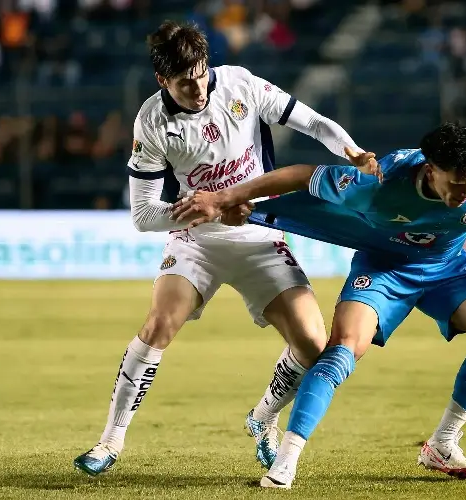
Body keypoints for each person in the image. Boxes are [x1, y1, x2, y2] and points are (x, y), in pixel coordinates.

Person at [73, 20, 377, 476]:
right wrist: (210, 211)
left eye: (199, 75)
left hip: (259, 233)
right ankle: (109, 442)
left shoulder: (240, 84)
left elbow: (310, 121)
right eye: (182, 83)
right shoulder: (151, 123)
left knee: (315, 348)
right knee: (159, 324)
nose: (197, 89)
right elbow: (143, 217)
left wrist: (350, 151)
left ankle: (263, 417)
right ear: (162, 81)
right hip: (197, 239)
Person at [172, 123, 466, 489]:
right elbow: (301, 176)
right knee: (343, 350)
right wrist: (224, 199)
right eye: (456, 184)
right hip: (384, 269)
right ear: (430, 170)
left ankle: (443, 443)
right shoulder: (379, 184)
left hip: (446, 269)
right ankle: (286, 459)